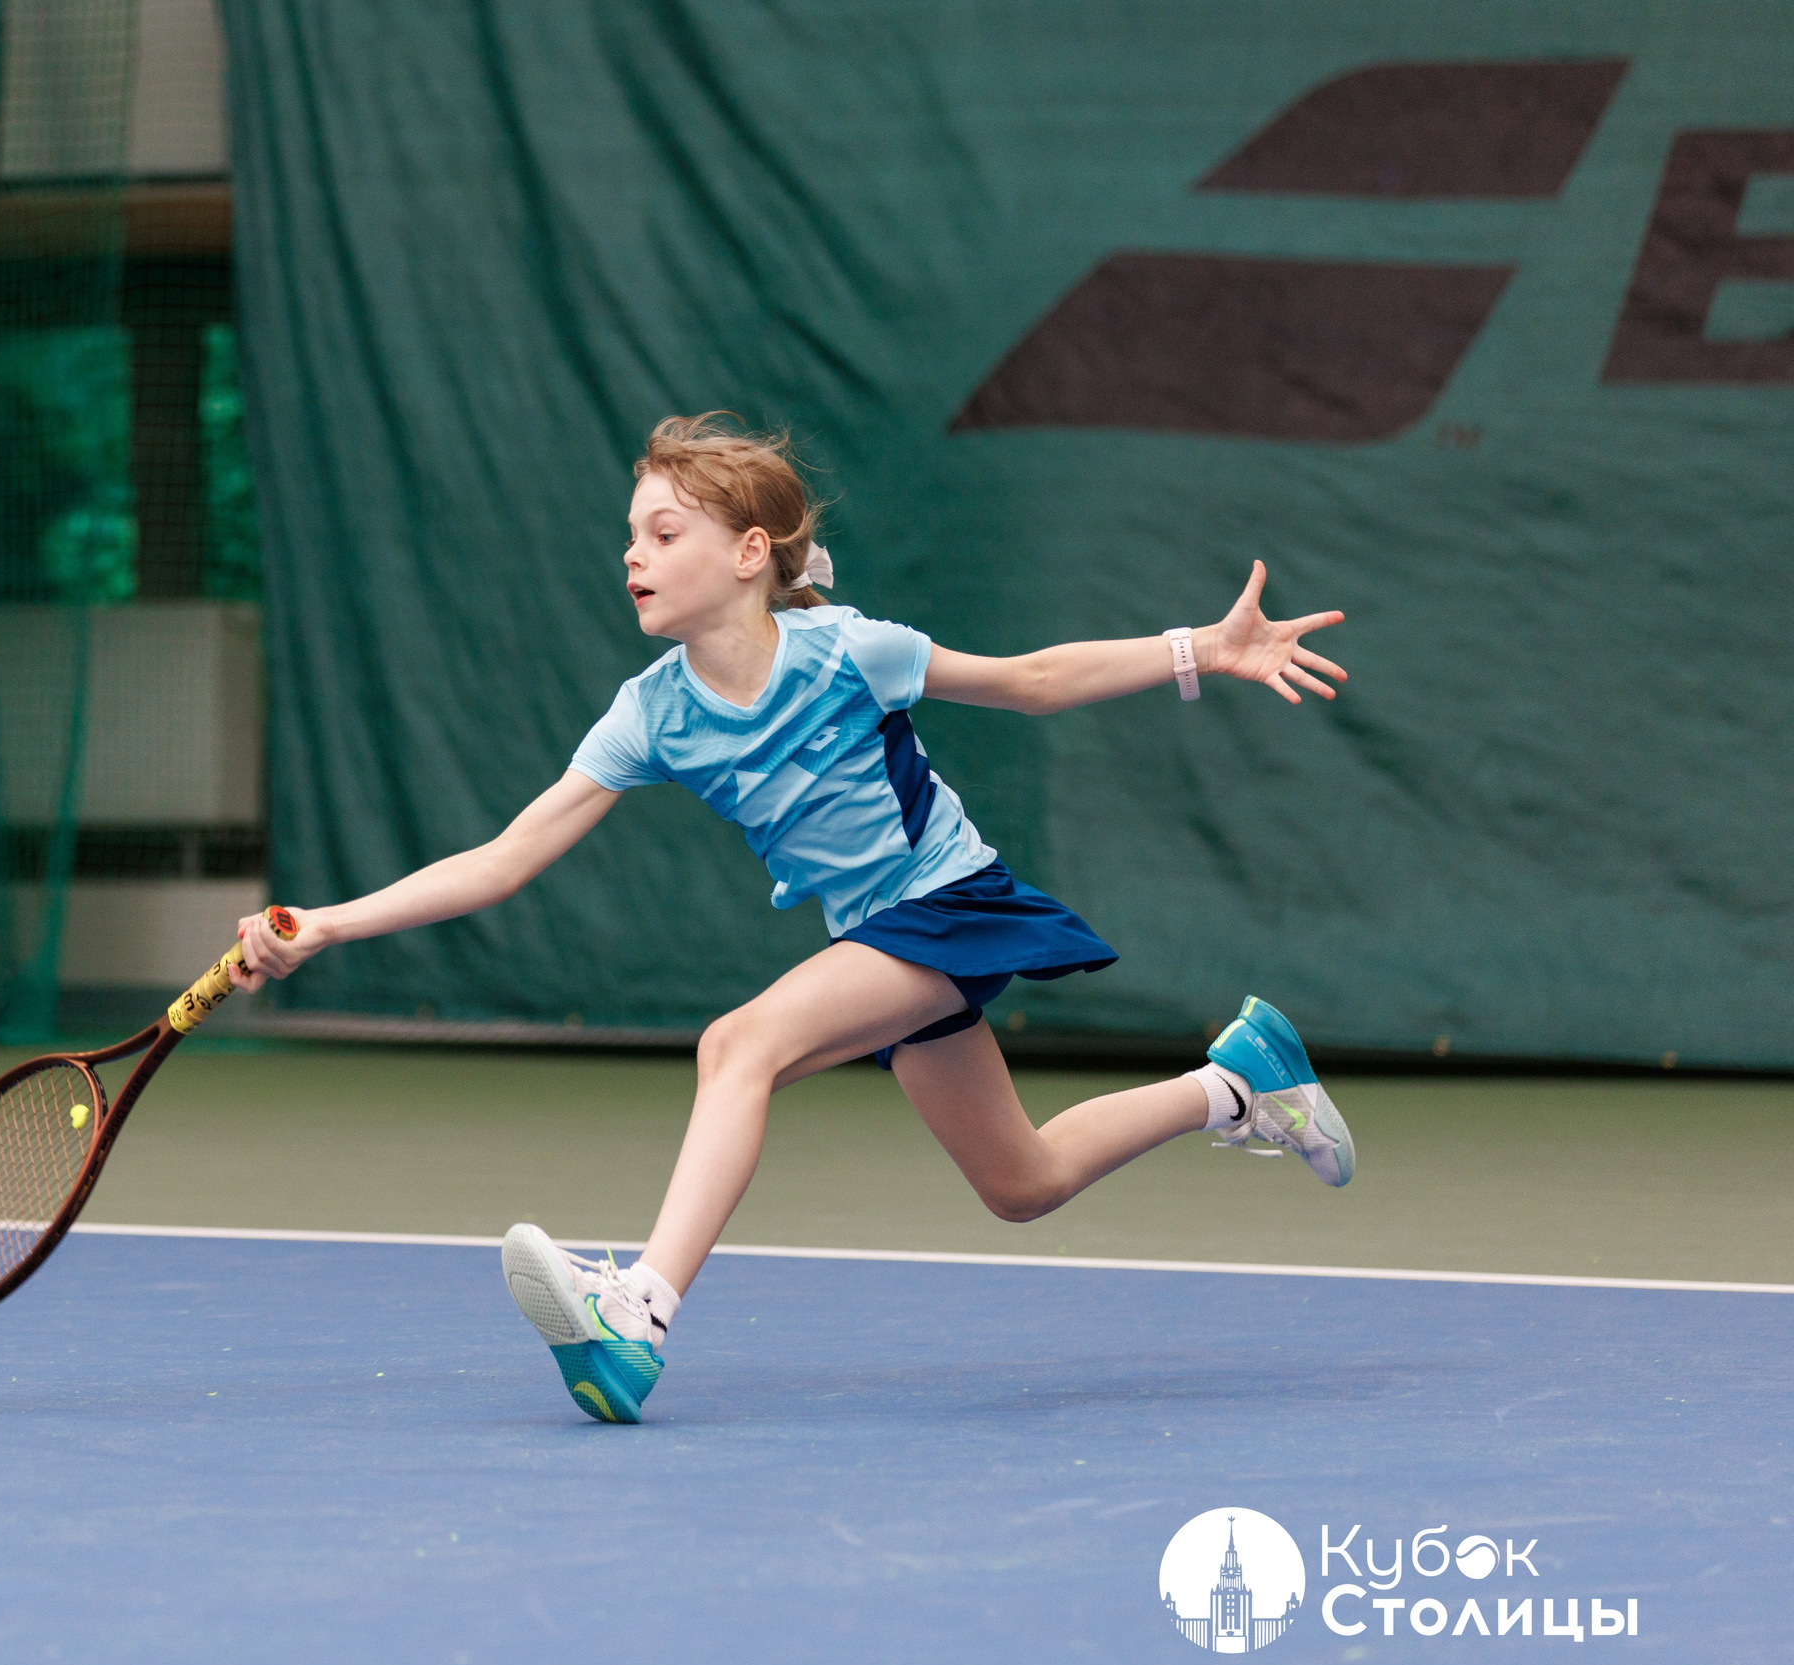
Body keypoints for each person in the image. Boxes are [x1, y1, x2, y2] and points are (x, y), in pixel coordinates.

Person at [228, 413, 1354, 1425]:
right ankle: (1242, 1080)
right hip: (874, 938)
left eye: (664, 533)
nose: (634, 554)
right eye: (631, 535)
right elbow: (505, 857)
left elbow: (1033, 680)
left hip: (943, 905)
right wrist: (327, 923)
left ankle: (638, 1317)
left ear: (749, 554)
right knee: (1024, 1184)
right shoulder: (652, 712)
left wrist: (1199, 647)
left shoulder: (845, 650)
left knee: (738, 1044)